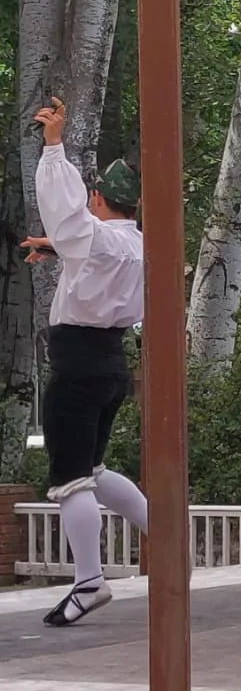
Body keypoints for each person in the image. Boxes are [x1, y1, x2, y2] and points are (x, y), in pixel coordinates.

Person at [20, 97, 147, 627]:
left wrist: (54, 147)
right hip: (112, 362)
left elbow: (73, 222)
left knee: (71, 479)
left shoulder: (92, 237)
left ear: (98, 198)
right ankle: (168, 541)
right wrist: (60, 248)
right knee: (93, 468)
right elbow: (90, 247)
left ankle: (89, 583)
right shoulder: (142, 244)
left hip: (78, 366)